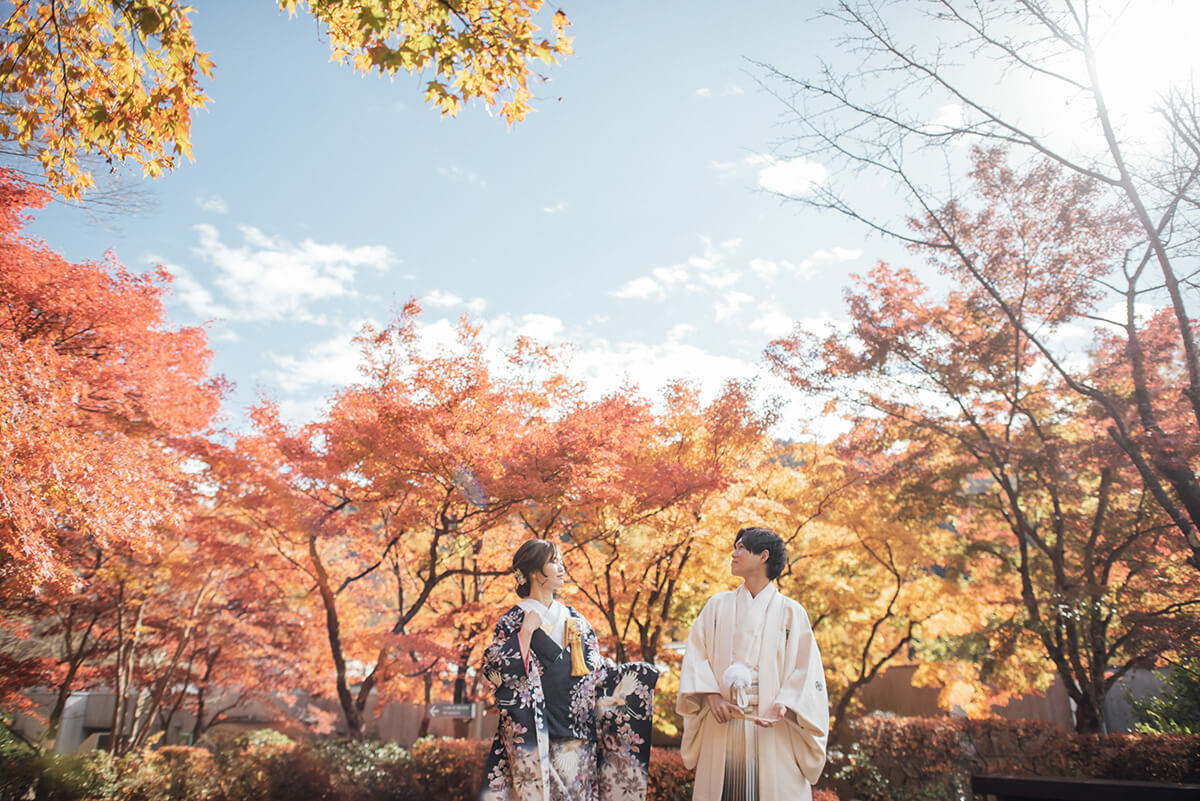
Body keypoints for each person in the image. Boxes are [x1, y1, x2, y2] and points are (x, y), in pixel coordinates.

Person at [479, 538, 659, 801]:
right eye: (553, 562)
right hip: (534, 738)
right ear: (531, 570)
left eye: (561, 562)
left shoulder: (576, 620)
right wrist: (525, 635)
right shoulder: (513, 620)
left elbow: (597, 674)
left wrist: (639, 676)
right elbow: (496, 670)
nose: (562, 568)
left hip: (578, 738)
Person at [676, 527, 829, 801]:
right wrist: (712, 696)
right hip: (722, 721)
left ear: (764, 556)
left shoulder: (792, 613)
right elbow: (696, 657)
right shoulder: (716, 607)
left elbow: (806, 670)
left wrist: (785, 702)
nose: (733, 554)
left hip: (772, 725)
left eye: (741, 548)